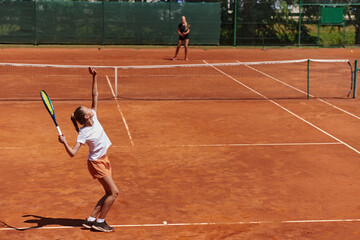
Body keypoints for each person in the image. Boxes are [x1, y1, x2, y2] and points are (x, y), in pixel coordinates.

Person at [58, 67, 118, 233]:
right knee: (114, 193)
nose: (91, 109)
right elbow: (73, 154)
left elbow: (95, 95)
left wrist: (94, 77)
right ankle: (100, 222)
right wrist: (64, 142)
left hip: (104, 159)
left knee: (108, 192)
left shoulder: (94, 116)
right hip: (96, 163)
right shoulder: (84, 132)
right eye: (87, 110)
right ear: (86, 117)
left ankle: (91, 219)